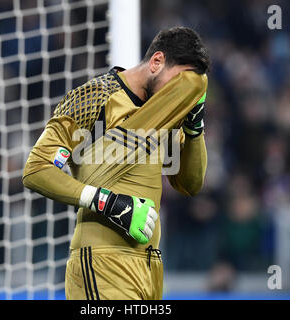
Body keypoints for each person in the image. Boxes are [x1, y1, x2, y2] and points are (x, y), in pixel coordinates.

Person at [22, 26, 210, 300]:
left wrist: (194, 127)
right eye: (180, 84)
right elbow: (36, 169)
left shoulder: (169, 116)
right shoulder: (94, 97)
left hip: (151, 266)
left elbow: (190, 184)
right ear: (156, 62)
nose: (182, 96)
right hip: (102, 261)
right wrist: (106, 201)